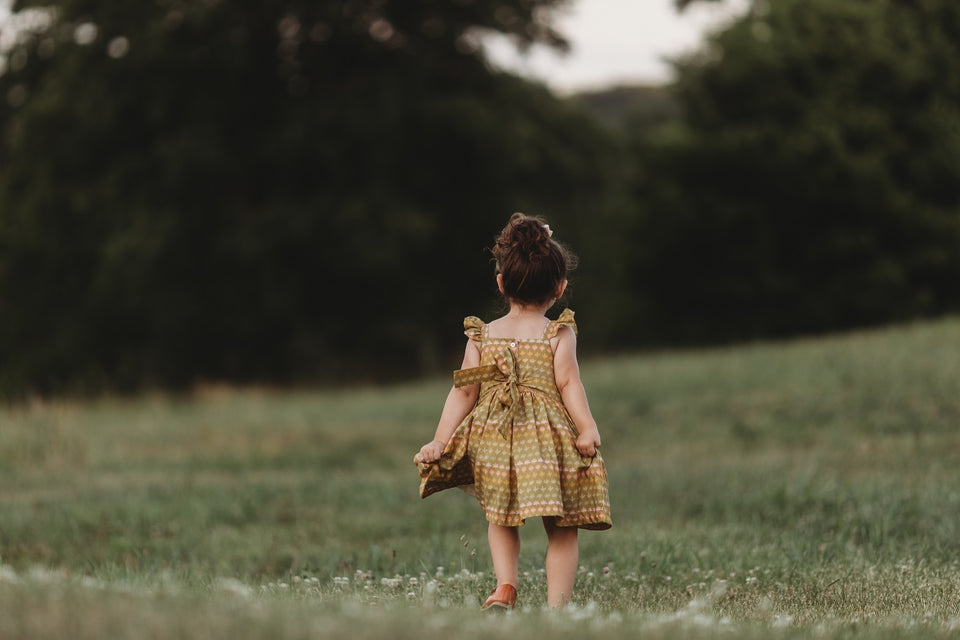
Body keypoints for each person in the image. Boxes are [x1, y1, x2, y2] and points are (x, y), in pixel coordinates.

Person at [414, 212, 612, 611]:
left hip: (496, 442)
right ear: (560, 287)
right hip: (543, 442)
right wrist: (587, 428)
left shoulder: (482, 334)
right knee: (562, 526)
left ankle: (505, 586)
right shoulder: (557, 332)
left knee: (500, 517)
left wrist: (441, 438)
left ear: (501, 282)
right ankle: (557, 611)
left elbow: (465, 392)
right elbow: (569, 383)